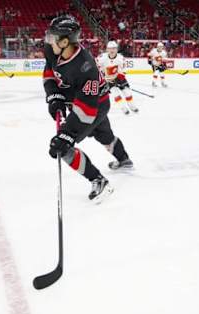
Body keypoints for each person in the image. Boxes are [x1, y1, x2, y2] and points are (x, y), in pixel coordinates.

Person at [43, 15, 133, 203]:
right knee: (103, 135)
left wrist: (66, 134)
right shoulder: (53, 50)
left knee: (64, 148)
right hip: (87, 102)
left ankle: (99, 181)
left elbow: (86, 110)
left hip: (95, 105)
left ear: (65, 41)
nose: (48, 40)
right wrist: (54, 95)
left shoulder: (86, 68)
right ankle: (123, 159)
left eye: (53, 37)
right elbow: (50, 70)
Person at [97, 40, 139, 115]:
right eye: (110, 48)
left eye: (114, 48)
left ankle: (132, 106)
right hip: (108, 80)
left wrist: (119, 77)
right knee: (116, 94)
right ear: (107, 49)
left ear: (116, 49)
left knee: (127, 93)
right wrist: (103, 76)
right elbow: (97, 67)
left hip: (119, 79)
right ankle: (123, 108)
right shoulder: (102, 58)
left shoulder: (120, 58)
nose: (112, 50)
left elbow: (123, 70)